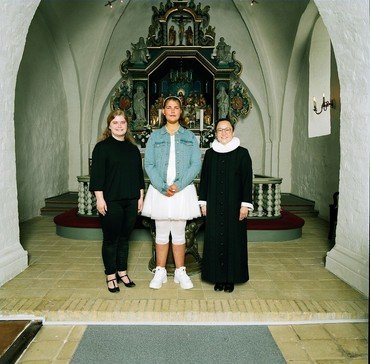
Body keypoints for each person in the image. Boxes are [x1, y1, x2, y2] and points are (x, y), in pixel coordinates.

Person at [142, 96, 201, 290]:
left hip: (181, 191)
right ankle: (160, 271)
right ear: (164, 112)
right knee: (161, 231)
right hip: (160, 190)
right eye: (169, 107)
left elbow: (196, 164)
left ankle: (180, 271)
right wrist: (161, 185)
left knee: (178, 232)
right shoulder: (155, 137)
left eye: (176, 107)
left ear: (181, 111)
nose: (173, 111)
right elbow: (148, 163)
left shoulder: (190, 137)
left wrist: (178, 184)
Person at [90, 109, 145, 293]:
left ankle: (122, 272)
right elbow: (97, 176)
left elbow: (139, 175)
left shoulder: (133, 149)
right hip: (111, 201)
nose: (119, 126)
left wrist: (140, 197)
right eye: (116, 123)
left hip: (131, 200)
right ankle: (110, 275)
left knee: (124, 239)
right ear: (109, 125)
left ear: (127, 125)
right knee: (111, 239)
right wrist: (99, 199)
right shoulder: (102, 147)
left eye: (122, 122)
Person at [198, 119, 253, 293]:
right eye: (220, 130)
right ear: (215, 133)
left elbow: (247, 181)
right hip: (213, 205)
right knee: (215, 239)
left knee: (233, 240)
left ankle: (231, 278)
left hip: (235, 206)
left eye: (227, 129)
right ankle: (218, 277)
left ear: (233, 131)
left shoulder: (242, 154)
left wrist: (245, 205)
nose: (223, 133)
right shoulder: (210, 154)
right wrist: (203, 203)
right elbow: (204, 180)